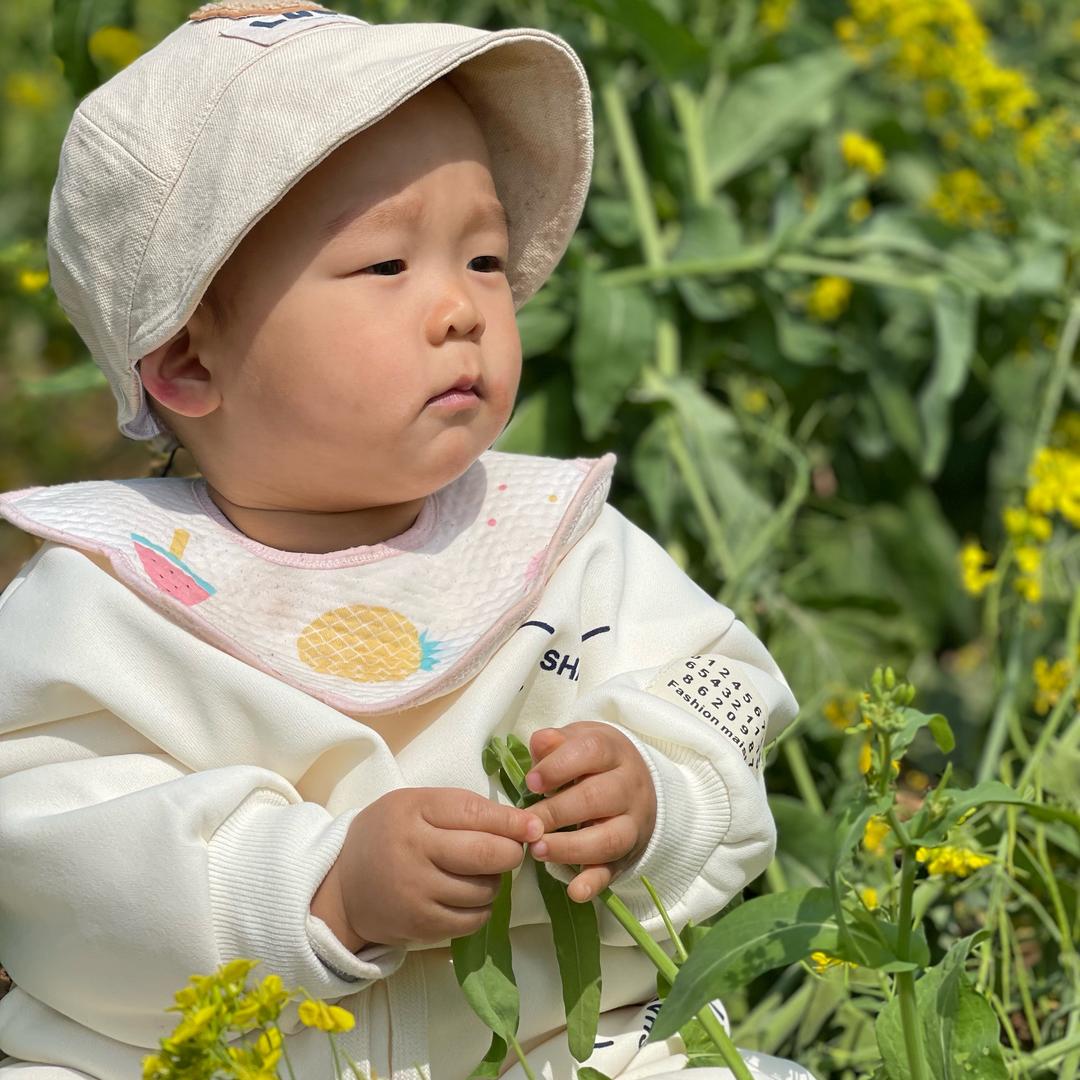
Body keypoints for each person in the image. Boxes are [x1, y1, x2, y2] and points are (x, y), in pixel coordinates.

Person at [0, 3, 815, 1078]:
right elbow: (56, 865)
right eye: (387, 267)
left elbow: (722, 704)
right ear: (190, 360)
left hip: (550, 1050)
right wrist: (320, 890)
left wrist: (653, 797)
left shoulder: (562, 545)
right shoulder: (104, 602)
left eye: (482, 257)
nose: (463, 309)